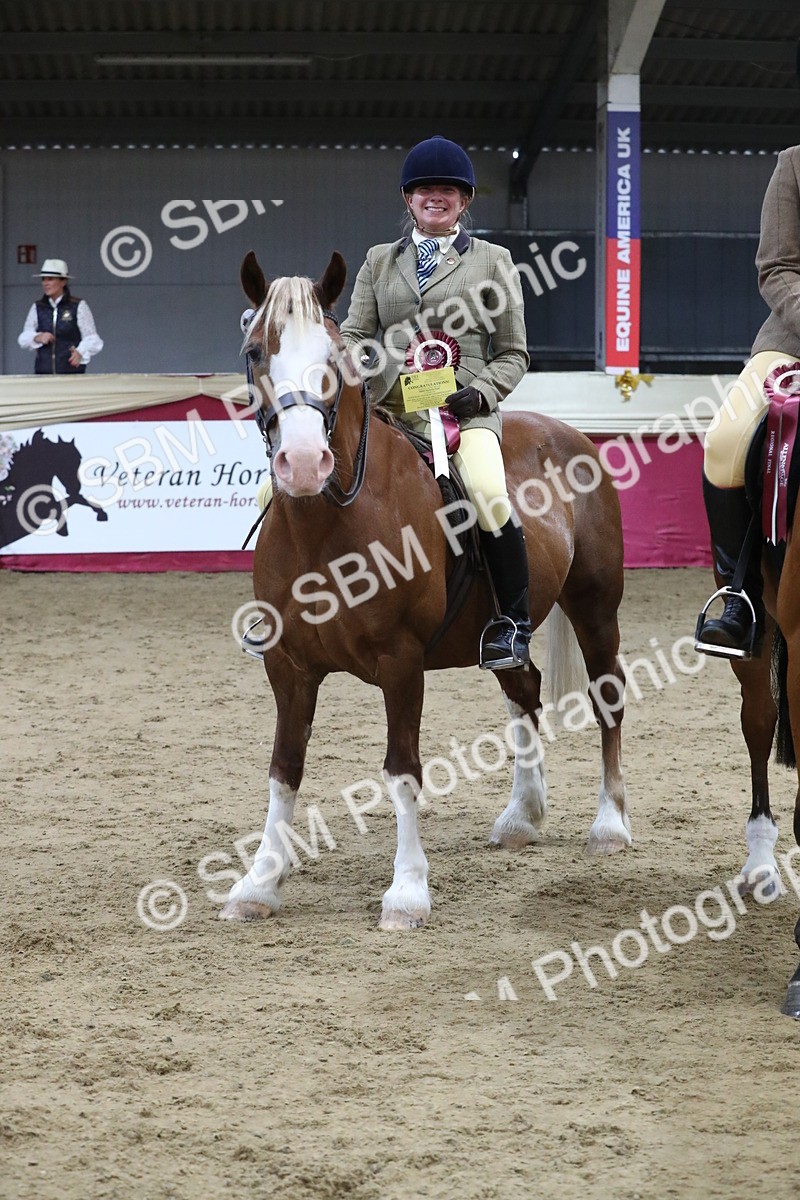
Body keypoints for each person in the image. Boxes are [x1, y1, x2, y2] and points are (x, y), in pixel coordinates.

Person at [340, 136, 531, 670]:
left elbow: (514, 353)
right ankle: (285, 606)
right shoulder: (380, 261)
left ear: (464, 200)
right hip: (389, 409)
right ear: (409, 199)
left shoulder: (495, 261)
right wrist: (378, 365)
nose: (436, 197)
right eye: (425, 189)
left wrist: (482, 393)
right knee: (290, 483)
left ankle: (512, 622)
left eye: (447, 190)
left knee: (490, 492)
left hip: (462, 412)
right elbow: (354, 333)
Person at [696, 146, 800, 659]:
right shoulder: (795, 164)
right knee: (727, 439)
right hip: (794, 341)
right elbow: (777, 266)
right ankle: (742, 601)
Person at [18, 259, 103, 374]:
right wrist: (37, 337)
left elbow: (92, 338)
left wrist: (80, 352)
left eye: (50, 279)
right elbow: (23, 337)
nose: (45, 283)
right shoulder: (38, 307)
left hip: (71, 372)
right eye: (43, 279)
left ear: (63, 282)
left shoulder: (78, 306)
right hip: (43, 373)